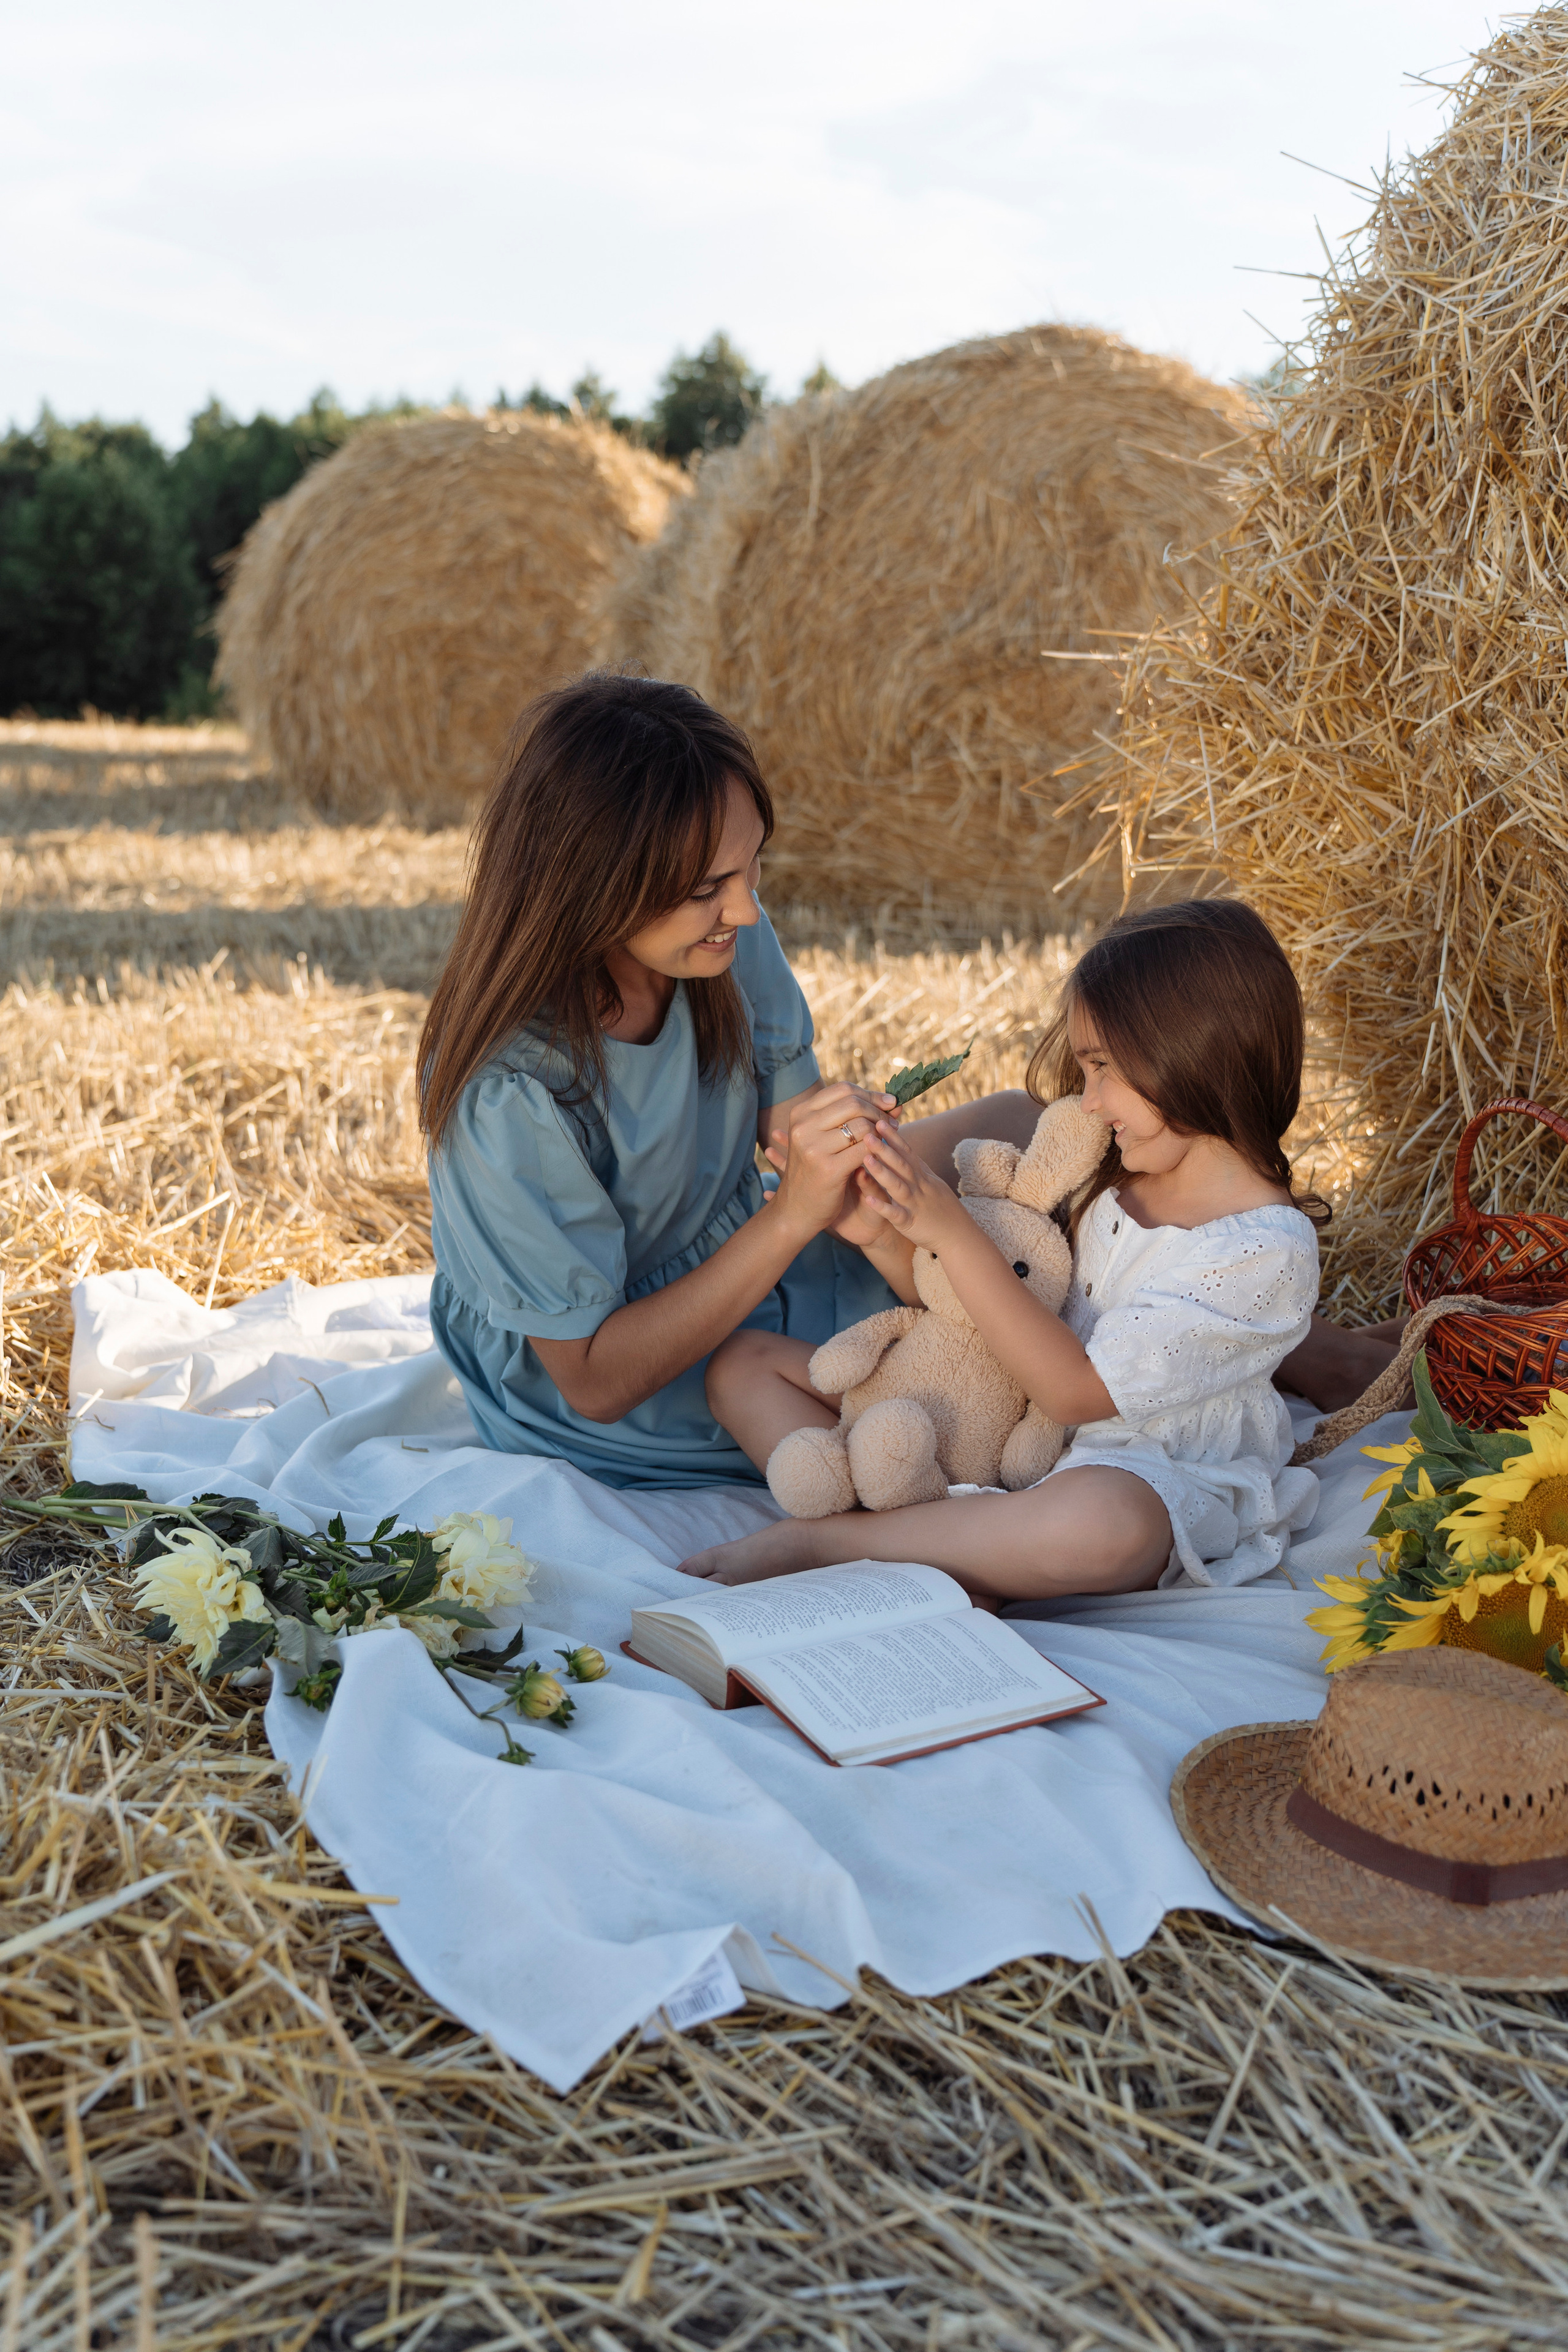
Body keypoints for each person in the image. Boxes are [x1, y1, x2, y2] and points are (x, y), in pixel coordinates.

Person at [417, 673, 1051, 1490]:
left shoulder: (718, 937)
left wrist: (861, 1186)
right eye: (706, 890)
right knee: (953, 1396)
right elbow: (595, 1378)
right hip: (630, 1361)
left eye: (752, 869)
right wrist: (799, 1222)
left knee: (1020, 1119)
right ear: (590, 888)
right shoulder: (507, 1094)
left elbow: (795, 1148)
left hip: (752, 1234)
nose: (747, 911)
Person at [680, 899, 1388, 1597]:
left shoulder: (1264, 1250)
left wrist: (951, 1230)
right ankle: (952, 1546)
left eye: (1104, 1068)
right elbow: (986, 1316)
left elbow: (1074, 1391)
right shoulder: (1116, 1175)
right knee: (743, 1367)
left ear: (1195, 1055)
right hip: (1009, 1425)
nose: (1088, 1101)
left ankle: (834, 1541)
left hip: (1134, 1467)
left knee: (1104, 1526)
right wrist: (881, 1238)